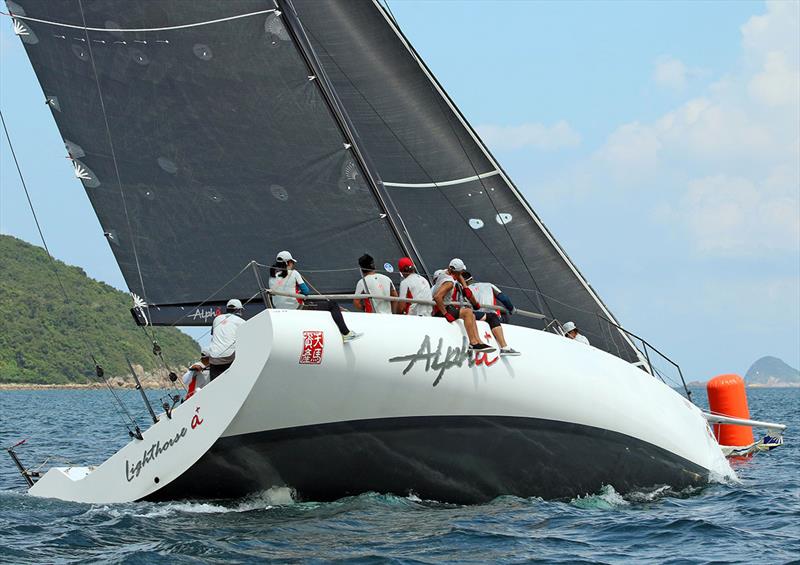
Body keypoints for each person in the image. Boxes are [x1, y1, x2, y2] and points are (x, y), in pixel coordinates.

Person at [269, 250, 362, 342]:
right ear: (288, 262)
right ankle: (346, 333)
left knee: (312, 303)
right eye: (292, 262)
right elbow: (306, 291)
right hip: (297, 308)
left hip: (279, 310)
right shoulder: (294, 273)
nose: (293, 264)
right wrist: (299, 291)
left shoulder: (272, 277)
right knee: (332, 304)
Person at [432, 258, 494, 353]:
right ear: (456, 272)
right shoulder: (449, 283)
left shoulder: (446, 271)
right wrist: (445, 314)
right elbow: (437, 297)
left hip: (446, 307)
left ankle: (479, 342)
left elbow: (458, 275)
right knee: (468, 312)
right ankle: (473, 343)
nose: (461, 273)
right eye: (461, 271)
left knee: (471, 314)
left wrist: (465, 287)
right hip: (441, 310)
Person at [462, 272, 520, 356]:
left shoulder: (464, 291)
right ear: (472, 278)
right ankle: (504, 347)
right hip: (492, 316)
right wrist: (512, 309)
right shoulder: (488, 285)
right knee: (496, 315)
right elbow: (504, 299)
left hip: (476, 316)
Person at [208, 299, 246, 380]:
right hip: (229, 357)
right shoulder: (242, 322)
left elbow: (213, 333)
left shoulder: (217, 319)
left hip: (213, 356)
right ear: (239, 310)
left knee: (214, 382)